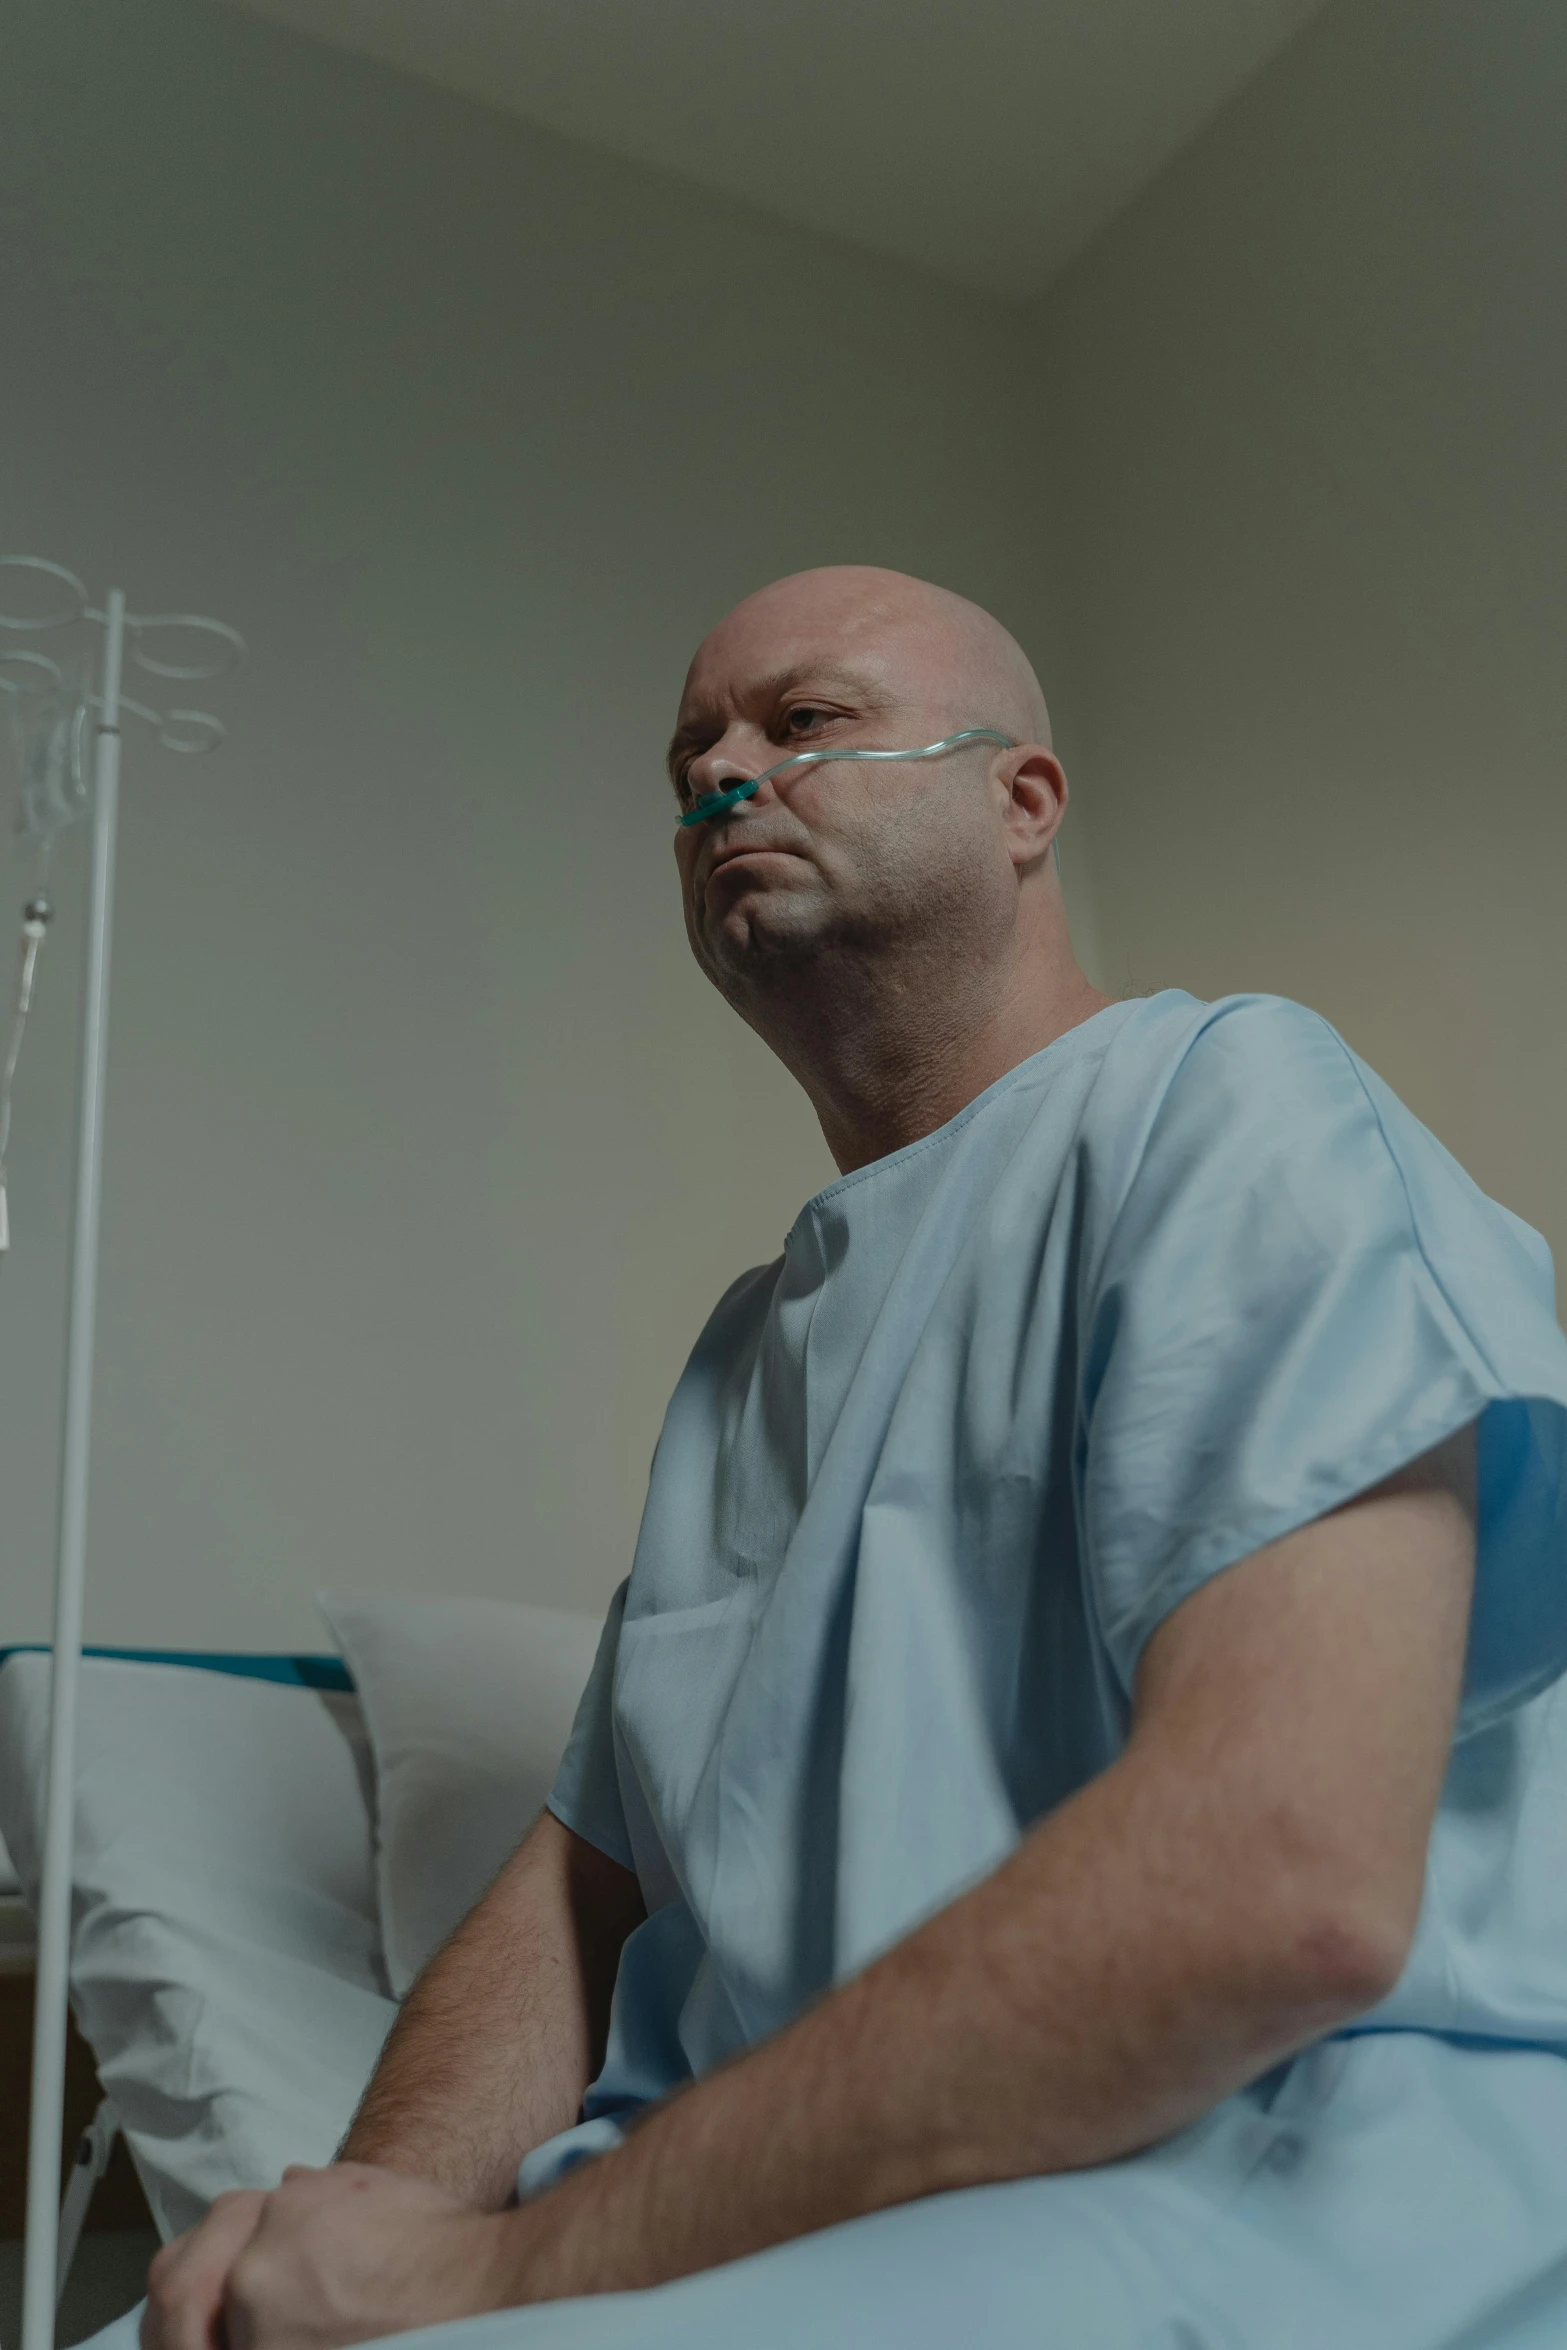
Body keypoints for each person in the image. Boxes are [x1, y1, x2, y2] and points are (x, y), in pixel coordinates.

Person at [138, 568, 1567, 2350]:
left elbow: (1274, 1890)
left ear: (1019, 799)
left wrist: (496, 2276)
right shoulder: (750, 1352)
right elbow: (583, 1889)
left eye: (801, 723)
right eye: (692, 756)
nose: (723, 777)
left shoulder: (1224, 1106)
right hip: (795, 2211)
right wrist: (362, 2231)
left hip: (1257, 2168)